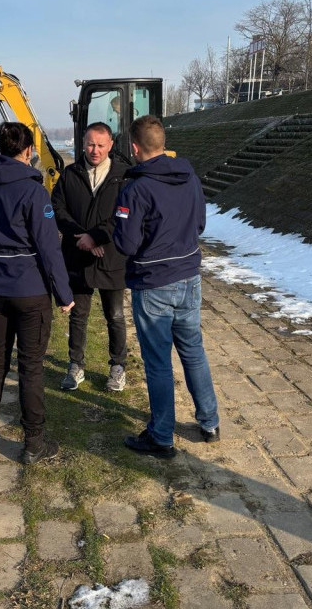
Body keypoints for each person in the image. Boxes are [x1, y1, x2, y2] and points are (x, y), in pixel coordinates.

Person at [0, 122, 75, 464]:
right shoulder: (34, 191)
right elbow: (48, 249)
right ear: (28, 151)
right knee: (31, 367)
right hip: (30, 292)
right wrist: (64, 293)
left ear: (0, 148)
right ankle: (33, 443)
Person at [112, 115, 219, 459]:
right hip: (189, 278)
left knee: (158, 362)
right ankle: (210, 422)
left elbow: (127, 244)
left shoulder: (135, 189)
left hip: (153, 283)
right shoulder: (189, 177)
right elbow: (200, 223)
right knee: (193, 352)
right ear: (162, 144)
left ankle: (161, 435)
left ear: (134, 148)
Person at [50, 122, 129, 392]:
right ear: (83, 144)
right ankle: (75, 366)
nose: (94, 150)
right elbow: (57, 209)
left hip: (111, 257)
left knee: (115, 315)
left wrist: (97, 236)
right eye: (90, 144)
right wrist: (82, 237)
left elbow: (124, 215)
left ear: (110, 146)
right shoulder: (70, 174)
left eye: (100, 145)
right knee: (78, 314)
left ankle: (118, 366)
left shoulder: (124, 175)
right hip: (77, 256)